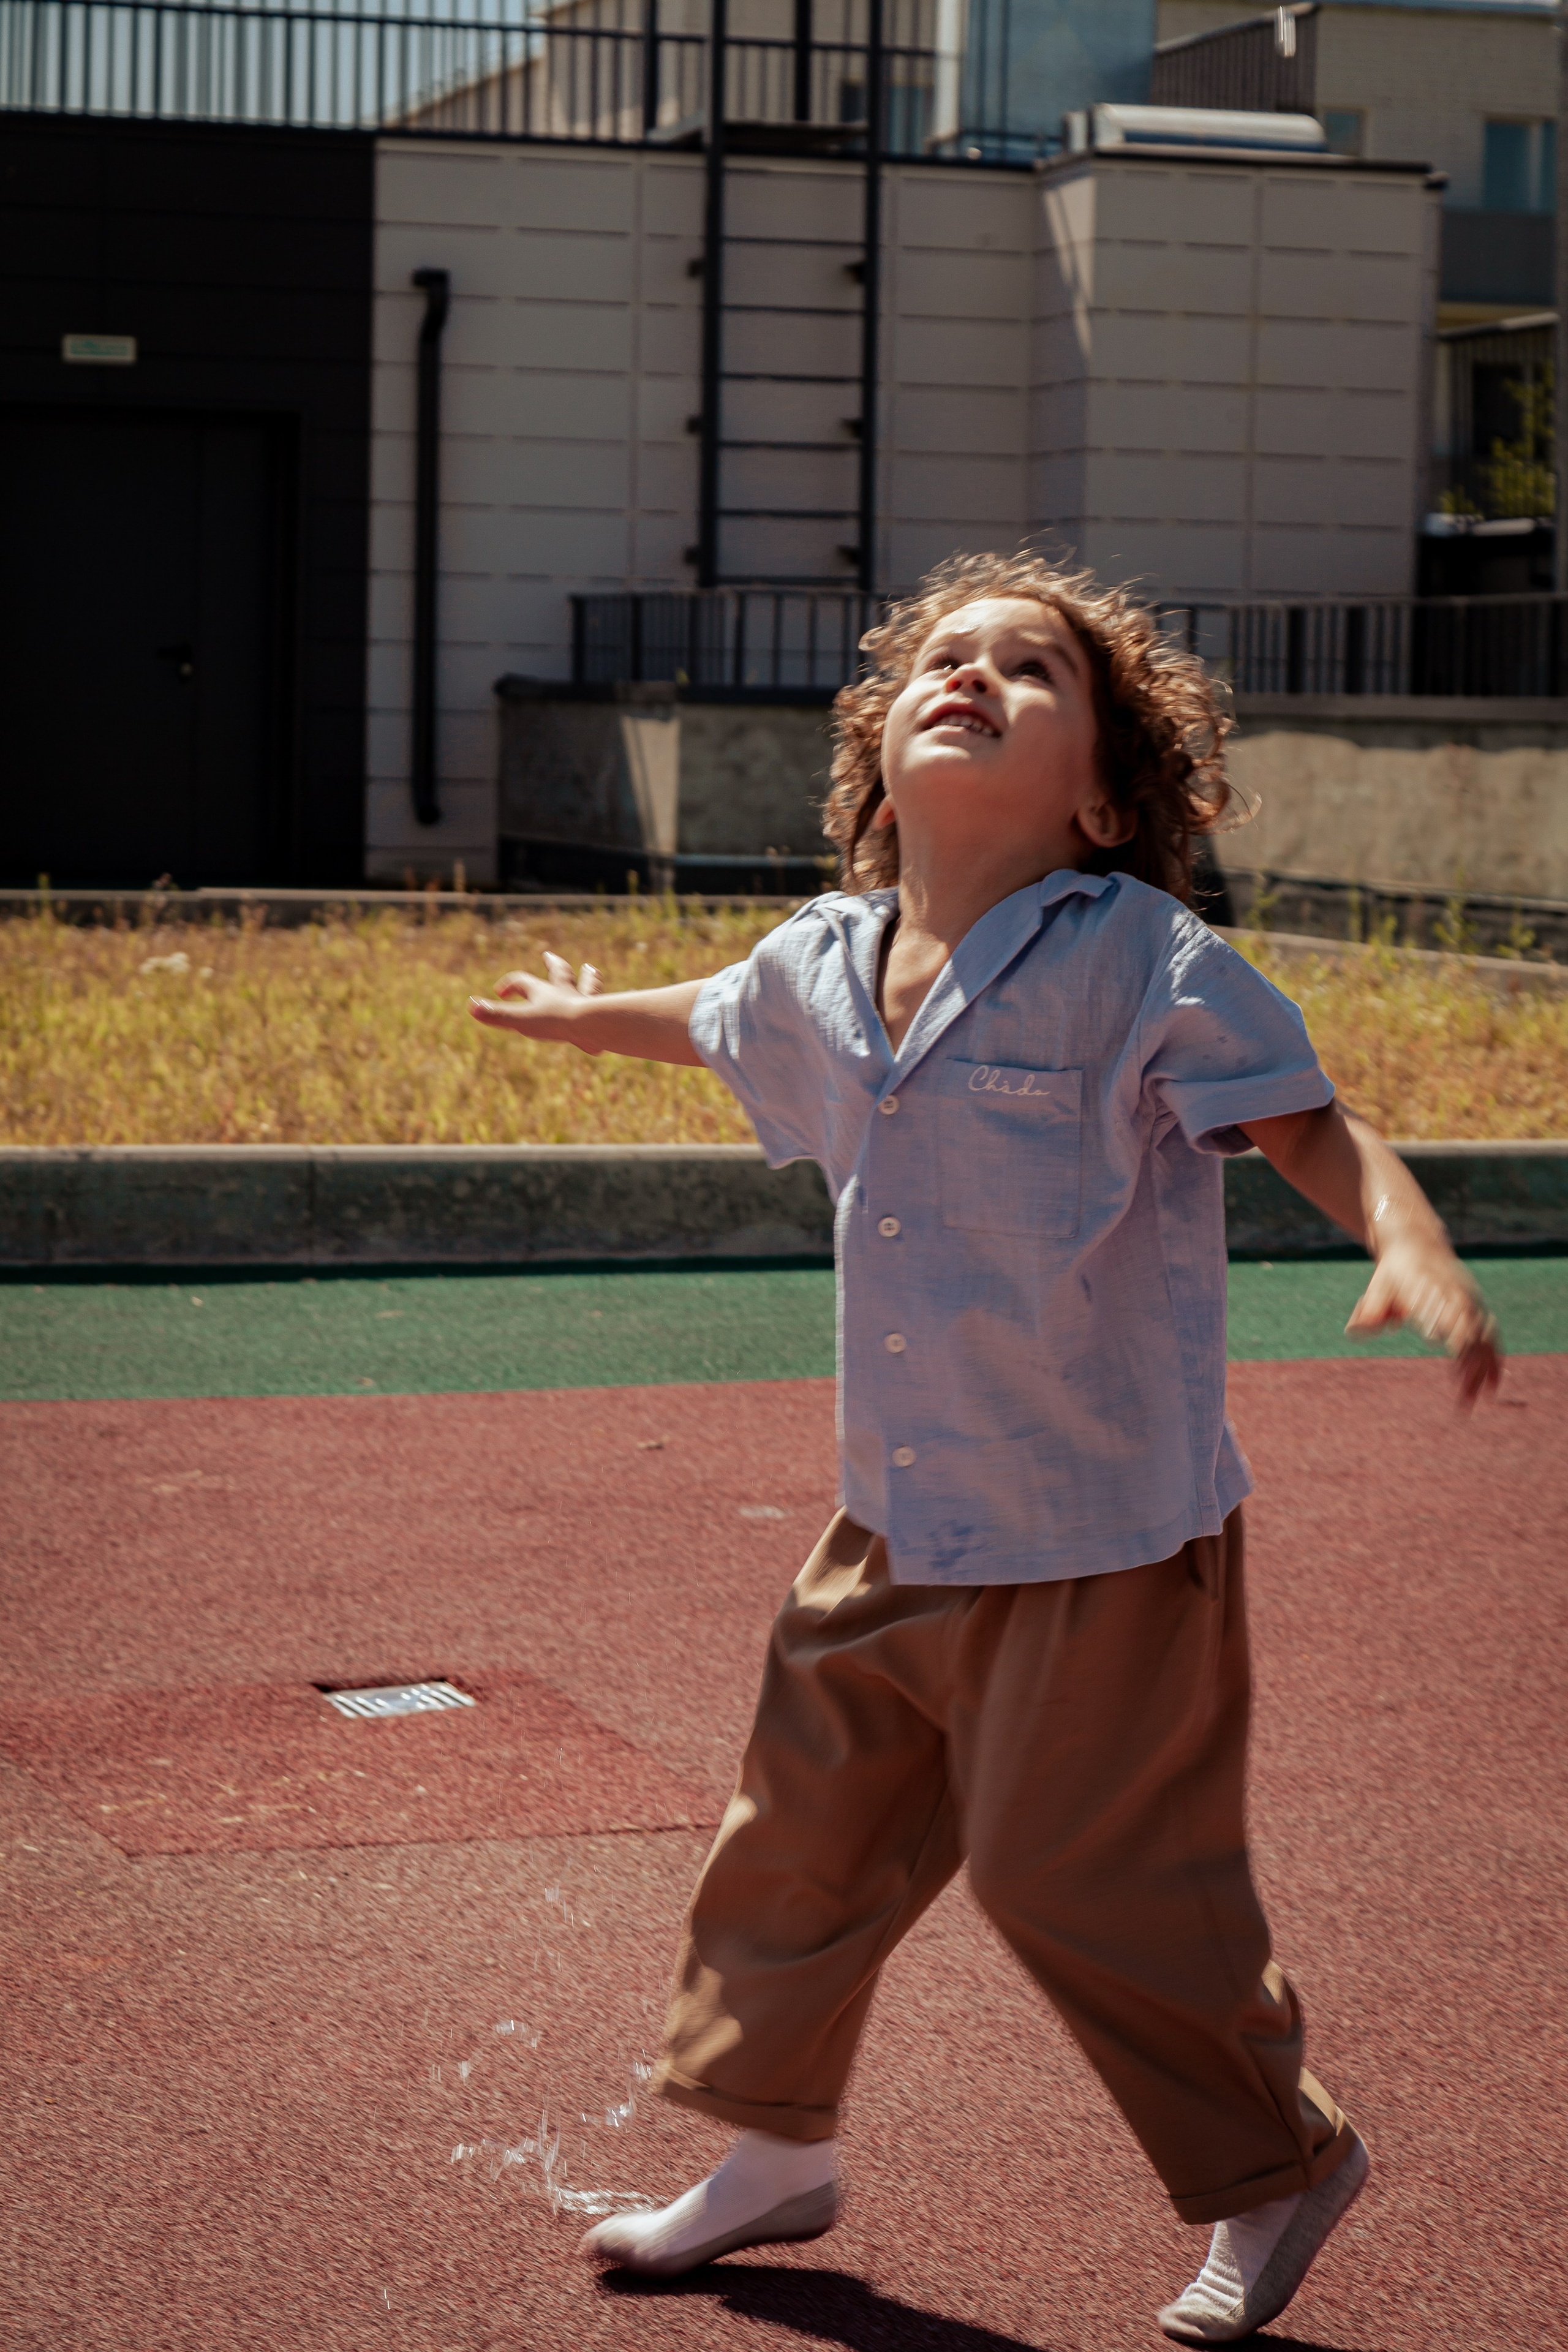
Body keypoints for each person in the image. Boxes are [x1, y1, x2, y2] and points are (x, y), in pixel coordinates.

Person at [469, 553, 1500, 2343]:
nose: (977, 676)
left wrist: (1405, 1237)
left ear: (1100, 793)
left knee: (1074, 1872)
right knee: (793, 1843)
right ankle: (777, 2149)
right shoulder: (820, 960)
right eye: (948, 660)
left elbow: (1312, 1129)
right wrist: (580, 1019)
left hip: (1100, 1533)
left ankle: (1276, 2164)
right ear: (878, 775)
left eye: (1032, 670)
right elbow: (707, 1012)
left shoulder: (1141, 960)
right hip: (895, 1520)